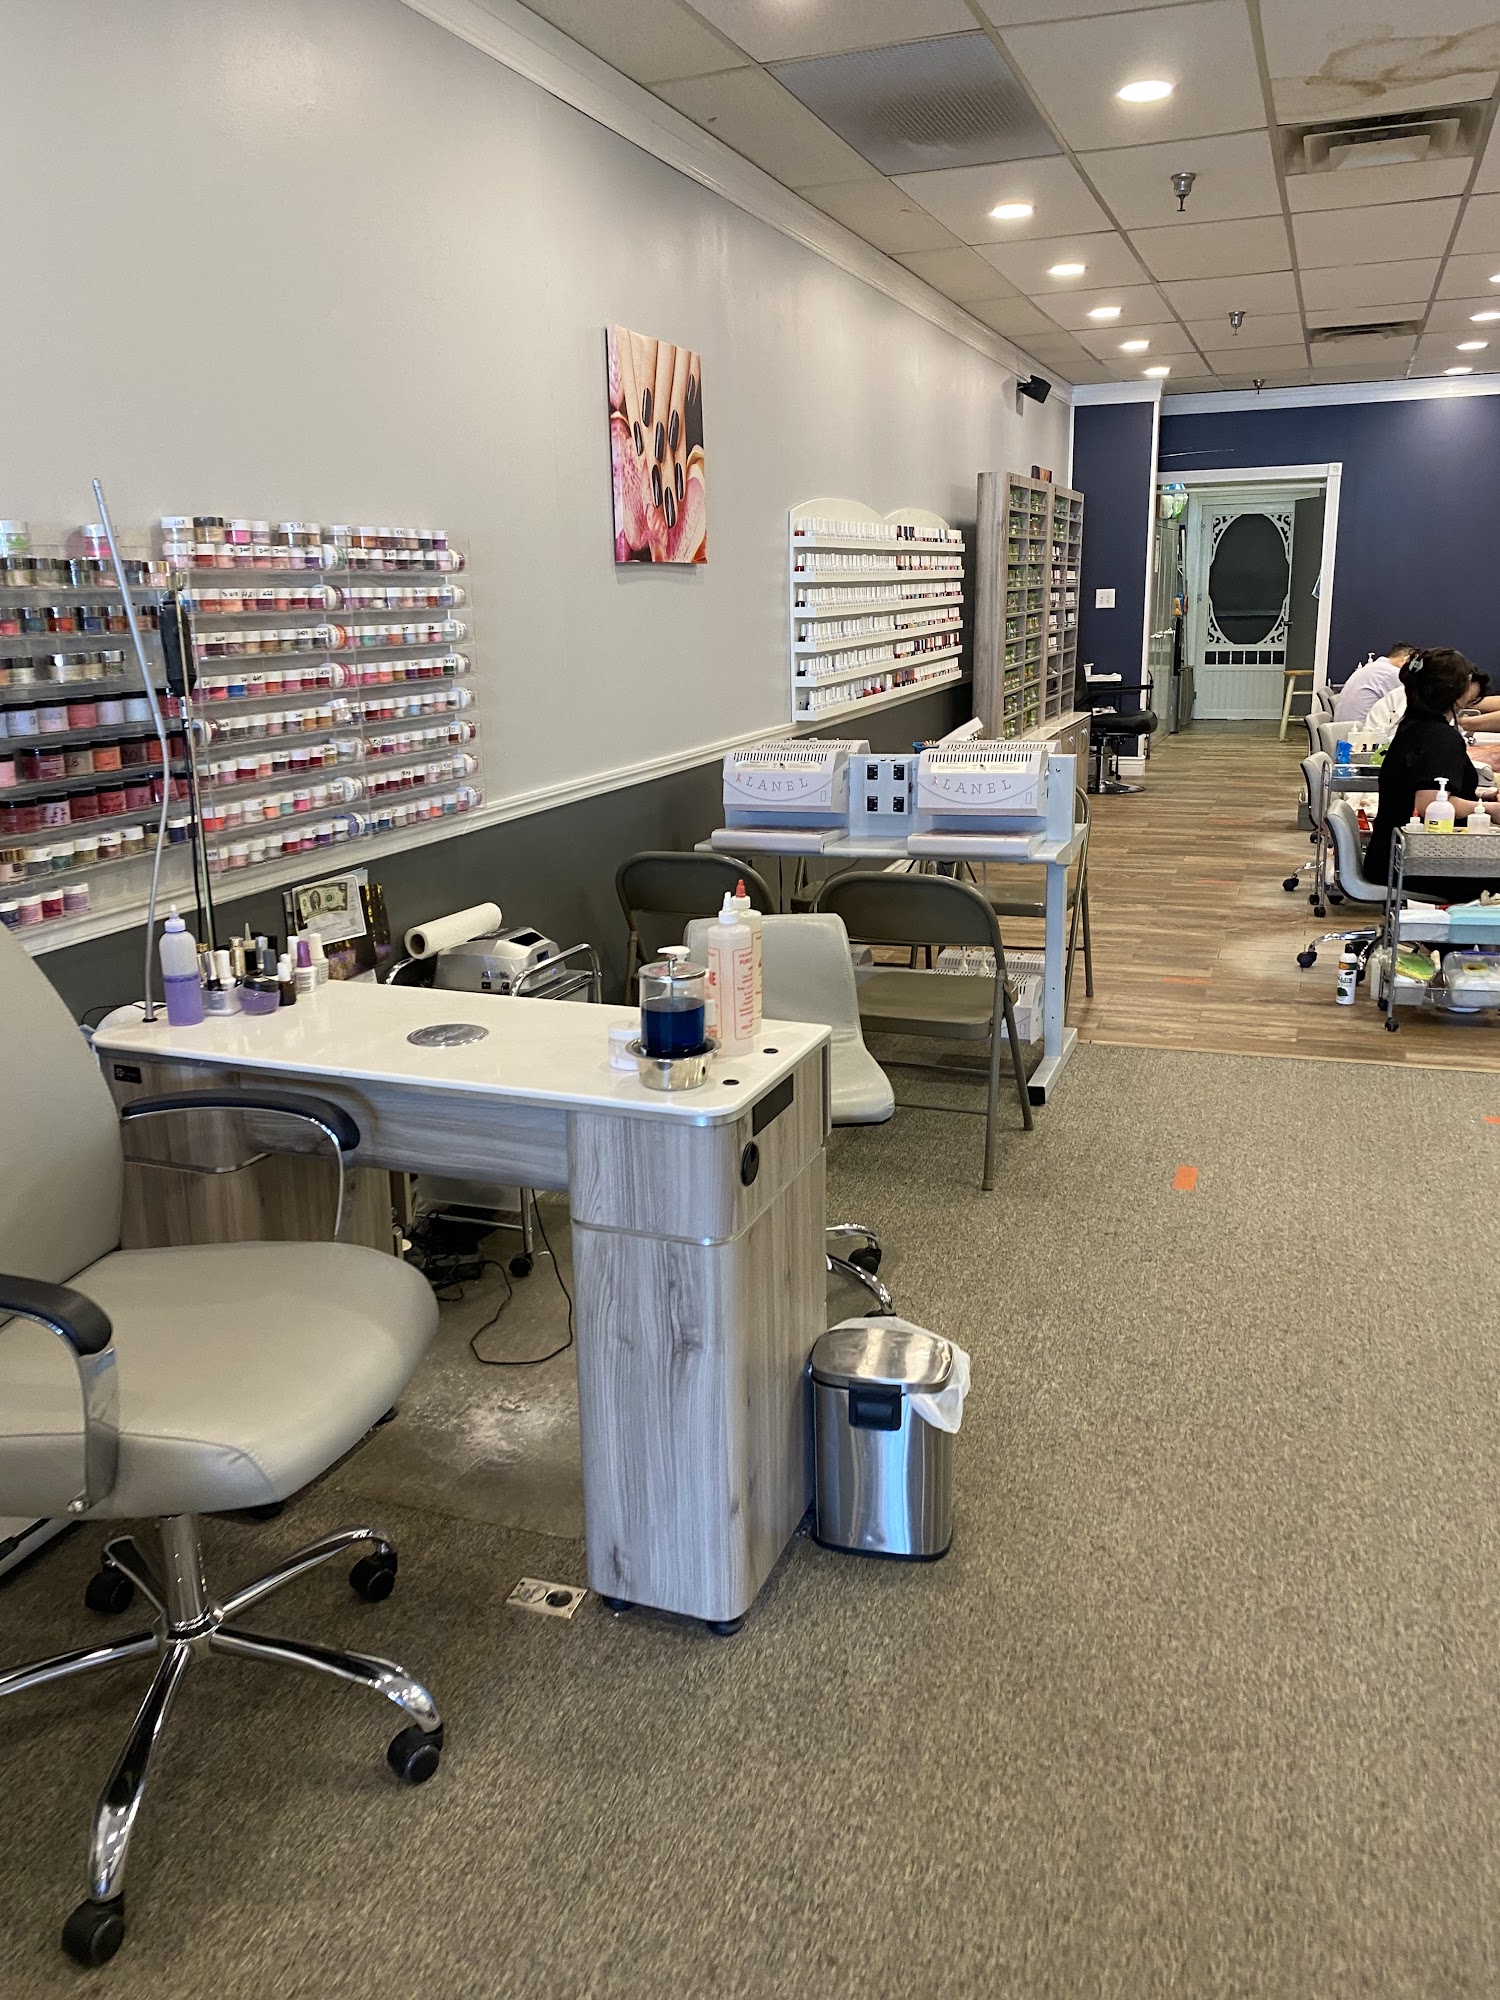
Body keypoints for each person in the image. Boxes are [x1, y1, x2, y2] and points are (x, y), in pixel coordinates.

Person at [1365, 648, 1500, 899]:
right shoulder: (1440, 738)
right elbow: (1430, 804)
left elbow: (1429, 787)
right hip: (1412, 864)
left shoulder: (1414, 726)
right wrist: (1490, 810)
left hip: (1390, 856)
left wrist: (1484, 797)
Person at [1333, 643, 1417, 729]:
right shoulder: (1391, 673)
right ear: (1406, 659)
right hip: (1360, 731)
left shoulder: (1372, 668)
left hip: (1340, 729)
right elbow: (1414, 699)